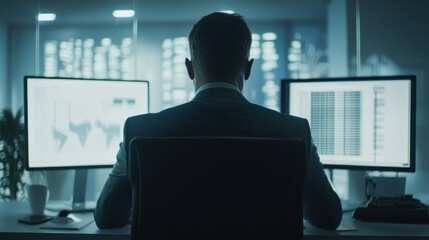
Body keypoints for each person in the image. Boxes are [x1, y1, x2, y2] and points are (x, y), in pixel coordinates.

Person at [94, 11, 342, 230]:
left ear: (190, 69)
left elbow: (106, 216)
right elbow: (328, 217)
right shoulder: (293, 130)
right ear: (248, 68)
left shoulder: (140, 129)